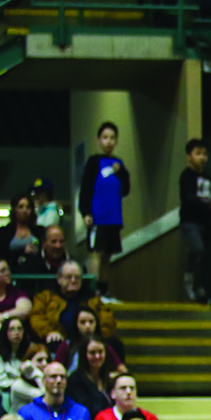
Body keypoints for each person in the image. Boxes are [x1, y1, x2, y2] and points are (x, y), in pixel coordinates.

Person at [79, 122, 130, 296]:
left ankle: (104, 289)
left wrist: (122, 172)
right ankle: (93, 291)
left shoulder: (119, 163)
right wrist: (86, 212)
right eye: (105, 137)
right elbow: (86, 187)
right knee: (97, 253)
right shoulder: (94, 162)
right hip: (98, 216)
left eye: (112, 138)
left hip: (114, 218)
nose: (109, 141)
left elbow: (125, 190)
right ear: (99, 140)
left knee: (108, 255)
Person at [178, 139, 211, 303]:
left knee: (205, 256)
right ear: (189, 157)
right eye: (197, 153)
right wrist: (208, 207)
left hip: (205, 222)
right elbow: (189, 198)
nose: (202, 157)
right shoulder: (186, 175)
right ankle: (189, 278)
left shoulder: (208, 177)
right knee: (198, 248)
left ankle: (201, 289)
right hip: (190, 221)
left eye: (204, 154)